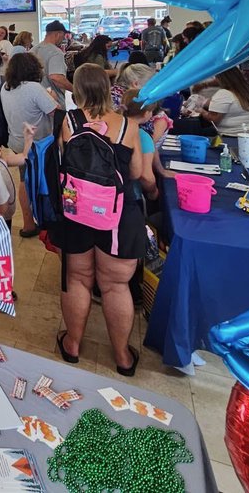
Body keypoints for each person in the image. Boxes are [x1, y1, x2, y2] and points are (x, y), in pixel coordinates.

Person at [52, 64, 145, 376]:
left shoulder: (69, 121)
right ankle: (122, 357)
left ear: (76, 91)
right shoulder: (127, 125)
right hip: (117, 214)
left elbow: (65, 164)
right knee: (116, 285)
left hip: (76, 210)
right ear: (108, 89)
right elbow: (135, 175)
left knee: (77, 278)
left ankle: (73, 344)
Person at [195, 67, 249, 141]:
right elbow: (230, 105)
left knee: (197, 133)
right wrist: (204, 102)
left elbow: (213, 119)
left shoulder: (224, 93)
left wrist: (201, 111)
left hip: (238, 136)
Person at [32, 21, 72, 99]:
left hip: (35, 99)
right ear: (58, 34)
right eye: (63, 35)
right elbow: (56, 77)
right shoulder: (56, 52)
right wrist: (74, 90)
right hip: (53, 101)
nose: (63, 38)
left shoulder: (33, 50)